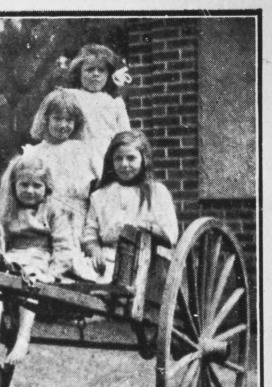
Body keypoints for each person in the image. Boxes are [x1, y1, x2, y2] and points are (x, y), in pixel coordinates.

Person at [0, 155, 74, 363]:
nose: (30, 191)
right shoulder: (8, 210)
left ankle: (23, 337)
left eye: (36, 185)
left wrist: (52, 273)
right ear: (14, 185)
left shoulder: (52, 210)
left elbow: (64, 247)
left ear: (46, 187)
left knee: (29, 281)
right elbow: (0, 241)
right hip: (12, 257)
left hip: (39, 257)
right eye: (24, 184)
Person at [82, 130, 180, 283]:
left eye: (131, 158)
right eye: (118, 159)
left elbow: (171, 235)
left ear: (144, 160)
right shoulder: (100, 195)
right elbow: (90, 234)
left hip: (146, 261)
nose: (124, 164)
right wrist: (95, 250)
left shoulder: (157, 192)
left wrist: (150, 228)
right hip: (108, 261)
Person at [24, 88, 97, 247]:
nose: (63, 125)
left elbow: (95, 191)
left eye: (69, 120)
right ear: (46, 119)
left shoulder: (83, 151)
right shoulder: (35, 153)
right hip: (44, 217)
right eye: (57, 119)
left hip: (77, 218)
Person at [66, 43, 132, 176]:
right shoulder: (71, 97)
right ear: (79, 73)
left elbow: (125, 136)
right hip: (78, 158)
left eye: (101, 70)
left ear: (109, 75)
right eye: (90, 70)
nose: (95, 74)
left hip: (106, 159)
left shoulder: (115, 103)